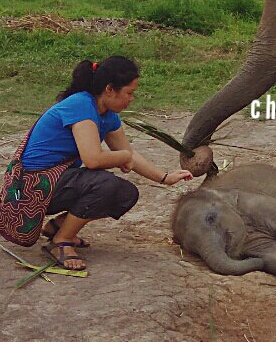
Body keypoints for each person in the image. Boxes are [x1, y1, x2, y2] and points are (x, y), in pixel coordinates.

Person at [19, 55, 192, 271]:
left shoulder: (107, 114)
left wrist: (164, 177)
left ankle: (58, 227)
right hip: (30, 189)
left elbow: (127, 153)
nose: (132, 99)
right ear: (109, 89)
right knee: (106, 185)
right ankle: (61, 241)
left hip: (56, 182)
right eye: (129, 93)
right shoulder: (81, 106)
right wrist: (123, 158)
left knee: (125, 194)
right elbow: (93, 159)